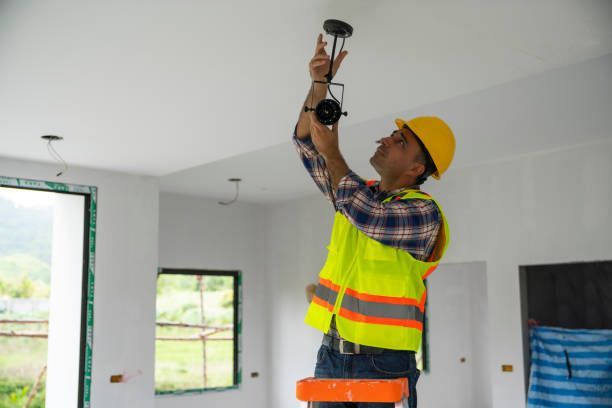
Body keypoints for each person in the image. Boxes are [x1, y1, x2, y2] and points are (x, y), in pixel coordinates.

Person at [294, 34, 456, 408]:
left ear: (417, 168)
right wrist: (318, 85)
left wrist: (333, 153)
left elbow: (371, 217)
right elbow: (305, 143)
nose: (386, 139)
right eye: (393, 133)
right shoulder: (354, 194)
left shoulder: (423, 213)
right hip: (332, 354)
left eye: (400, 141)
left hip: (384, 362)